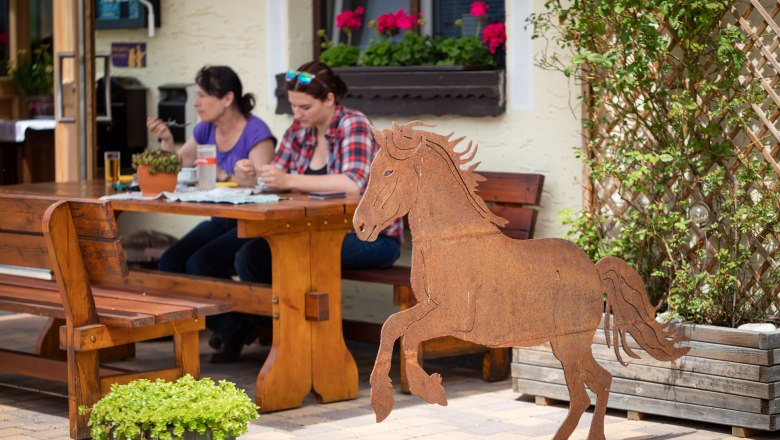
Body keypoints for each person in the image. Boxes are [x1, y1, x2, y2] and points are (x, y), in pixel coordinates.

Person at [207, 61, 404, 363]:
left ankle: (306, 348)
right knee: (250, 257)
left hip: (370, 237)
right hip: (313, 229)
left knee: (290, 256)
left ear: (329, 100)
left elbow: (353, 183)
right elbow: (279, 178)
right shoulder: (300, 130)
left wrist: (288, 180)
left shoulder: (355, 124)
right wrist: (254, 176)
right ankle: (281, 336)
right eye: (293, 106)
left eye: (304, 107)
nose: (296, 114)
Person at [146, 66, 276, 358]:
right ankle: (235, 326)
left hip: (250, 223)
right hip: (221, 220)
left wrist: (227, 172)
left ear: (227, 98)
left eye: (203, 96)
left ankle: (233, 330)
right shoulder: (205, 130)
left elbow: (264, 188)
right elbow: (176, 166)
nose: (196, 103)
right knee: (171, 261)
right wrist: (167, 142)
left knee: (200, 264)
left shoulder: (257, 133)